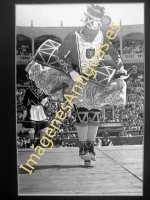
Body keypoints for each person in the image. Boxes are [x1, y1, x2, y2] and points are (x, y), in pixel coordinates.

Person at [25, 4, 127, 166]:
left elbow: (114, 53)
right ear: (86, 20)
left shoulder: (102, 36)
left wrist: (120, 66)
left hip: (95, 81)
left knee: (94, 114)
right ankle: (82, 148)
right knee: (82, 114)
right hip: (77, 80)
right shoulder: (73, 36)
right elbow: (59, 56)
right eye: (92, 22)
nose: (94, 28)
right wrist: (71, 72)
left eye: (97, 23)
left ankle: (90, 147)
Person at [22, 79, 49, 148]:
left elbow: (47, 96)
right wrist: (25, 110)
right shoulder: (29, 90)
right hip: (32, 109)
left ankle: (41, 142)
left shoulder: (44, 90)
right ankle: (32, 143)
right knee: (31, 127)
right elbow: (25, 101)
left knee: (45, 127)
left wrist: (45, 100)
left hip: (40, 109)